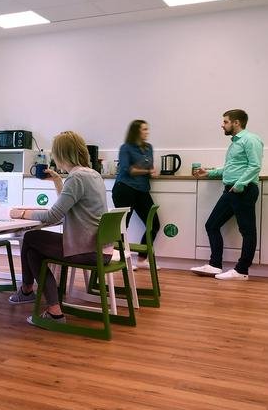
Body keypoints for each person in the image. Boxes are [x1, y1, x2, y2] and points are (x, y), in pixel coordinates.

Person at [9, 131, 109, 326]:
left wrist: (21, 213)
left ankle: (30, 293)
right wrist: (57, 181)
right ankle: (47, 305)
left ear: (61, 154)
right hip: (101, 248)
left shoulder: (77, 178)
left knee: (30, 238)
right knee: (34, 252)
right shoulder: (92, 174)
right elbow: (69, 203)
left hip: (85, 249)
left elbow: (53, 215)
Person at [191, 109, 263, 280]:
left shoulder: (250, 140)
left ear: (236, 122)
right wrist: (208, 173)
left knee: (247, 231)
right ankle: (215, 265)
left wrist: (239, 184)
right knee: (212, 225)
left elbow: (255, 166)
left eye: (225, 122)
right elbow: (230, 168)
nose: (222, 125)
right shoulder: (235, 142)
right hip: (231, 191)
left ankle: (242, 271)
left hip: (242, 191)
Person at [112, 120, 160, 269]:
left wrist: (153, 171)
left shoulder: (148, 148)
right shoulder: (126, 148)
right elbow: (128, 170)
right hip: (124, 188)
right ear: (136, 131)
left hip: (142, 189)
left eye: (147, 129)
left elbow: (149, 165)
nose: (147, 132)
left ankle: (141, 259)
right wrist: (148, 171)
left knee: (154, 224)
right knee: (122, 225)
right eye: (144, 129)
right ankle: (120, 259)